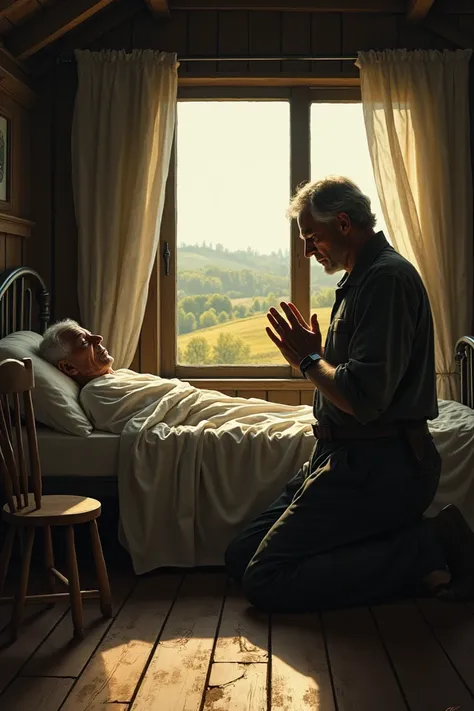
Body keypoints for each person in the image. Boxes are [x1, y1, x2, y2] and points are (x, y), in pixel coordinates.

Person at [224, 176, 474, 612]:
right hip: (339, 459)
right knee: (239, 557)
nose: (307, 251)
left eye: (311, 237)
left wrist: (308, 360)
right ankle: (398, 543)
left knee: (264, 580)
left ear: (343, 223)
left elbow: (362, 398)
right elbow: (345, 378)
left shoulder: (386, 280)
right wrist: (315, 357)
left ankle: (424, 544)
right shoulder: (361, 279)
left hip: (380, 468)